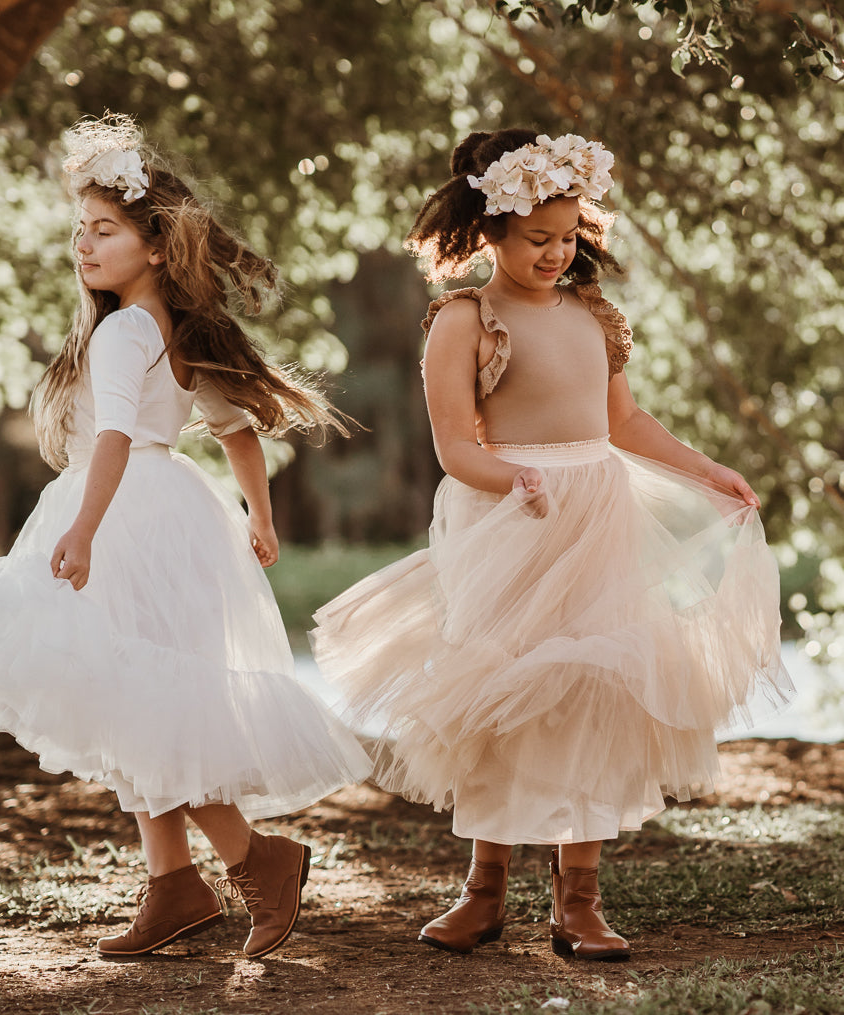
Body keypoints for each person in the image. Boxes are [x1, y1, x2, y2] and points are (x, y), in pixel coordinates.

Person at [311, 129, 792, 961]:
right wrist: (514, 483)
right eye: (538, 239)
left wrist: (708, 469)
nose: (555, 253)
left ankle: (579, 898)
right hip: (510, 521)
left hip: (596, 517)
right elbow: (454, 447)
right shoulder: (464, 320)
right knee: (501, 695)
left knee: (592, 689)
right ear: (489, 229)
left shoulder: (591, 317)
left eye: (568, 236)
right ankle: (483, 887)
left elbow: (624, 423)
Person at [0, 114, 370, 961]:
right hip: (174, 515)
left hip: (122, 510)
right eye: (79, 231)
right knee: (135, 701)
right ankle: (174, 883)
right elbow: (237, 430)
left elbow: (116, 438)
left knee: (138, 701)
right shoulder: (169, 324)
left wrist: (85, 528)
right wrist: (258, 516)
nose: (84, 246)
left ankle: (257, 859)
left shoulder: (125, 330)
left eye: (105, 230)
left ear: (156, 245)